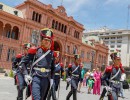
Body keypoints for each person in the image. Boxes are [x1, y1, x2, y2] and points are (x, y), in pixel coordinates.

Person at [19, 28, 55, 100]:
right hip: (36, 77)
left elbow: (53, 68)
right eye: (45, 40)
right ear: (41, 40)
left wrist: (52, 79)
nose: (47, 42)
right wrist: (26, 74)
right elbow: (22, 63)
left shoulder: (52, 54)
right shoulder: (35, 51)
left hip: (46, 79)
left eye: (49, 40)